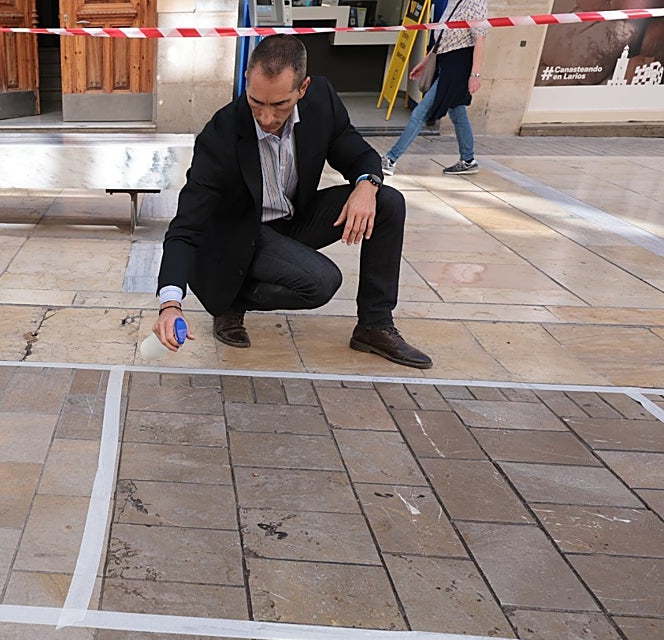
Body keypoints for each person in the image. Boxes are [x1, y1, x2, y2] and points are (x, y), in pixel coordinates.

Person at [153, 35, 432, 369]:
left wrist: (367, 184)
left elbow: (354, 149)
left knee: (387, 202)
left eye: (280, 105)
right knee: (321, 281)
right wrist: (170, 304)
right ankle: (229, 300)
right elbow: (185, 227)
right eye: (257, 103)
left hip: (295, 217)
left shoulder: (321, 101)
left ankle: (374, 326)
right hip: (242, 233)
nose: (267, 118)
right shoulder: (220, 135)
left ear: (303, 88)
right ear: (246, 80)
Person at [381, 0, 489, 176]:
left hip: (458, 65)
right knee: (457, 112)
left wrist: (475, 74)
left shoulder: (475, 2)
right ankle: (468, 160)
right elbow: (443, 37)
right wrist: (425, 62)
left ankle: (391, 158)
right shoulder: (453, 1)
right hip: (445, 62)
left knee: (420, 112)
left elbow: (480, 37)